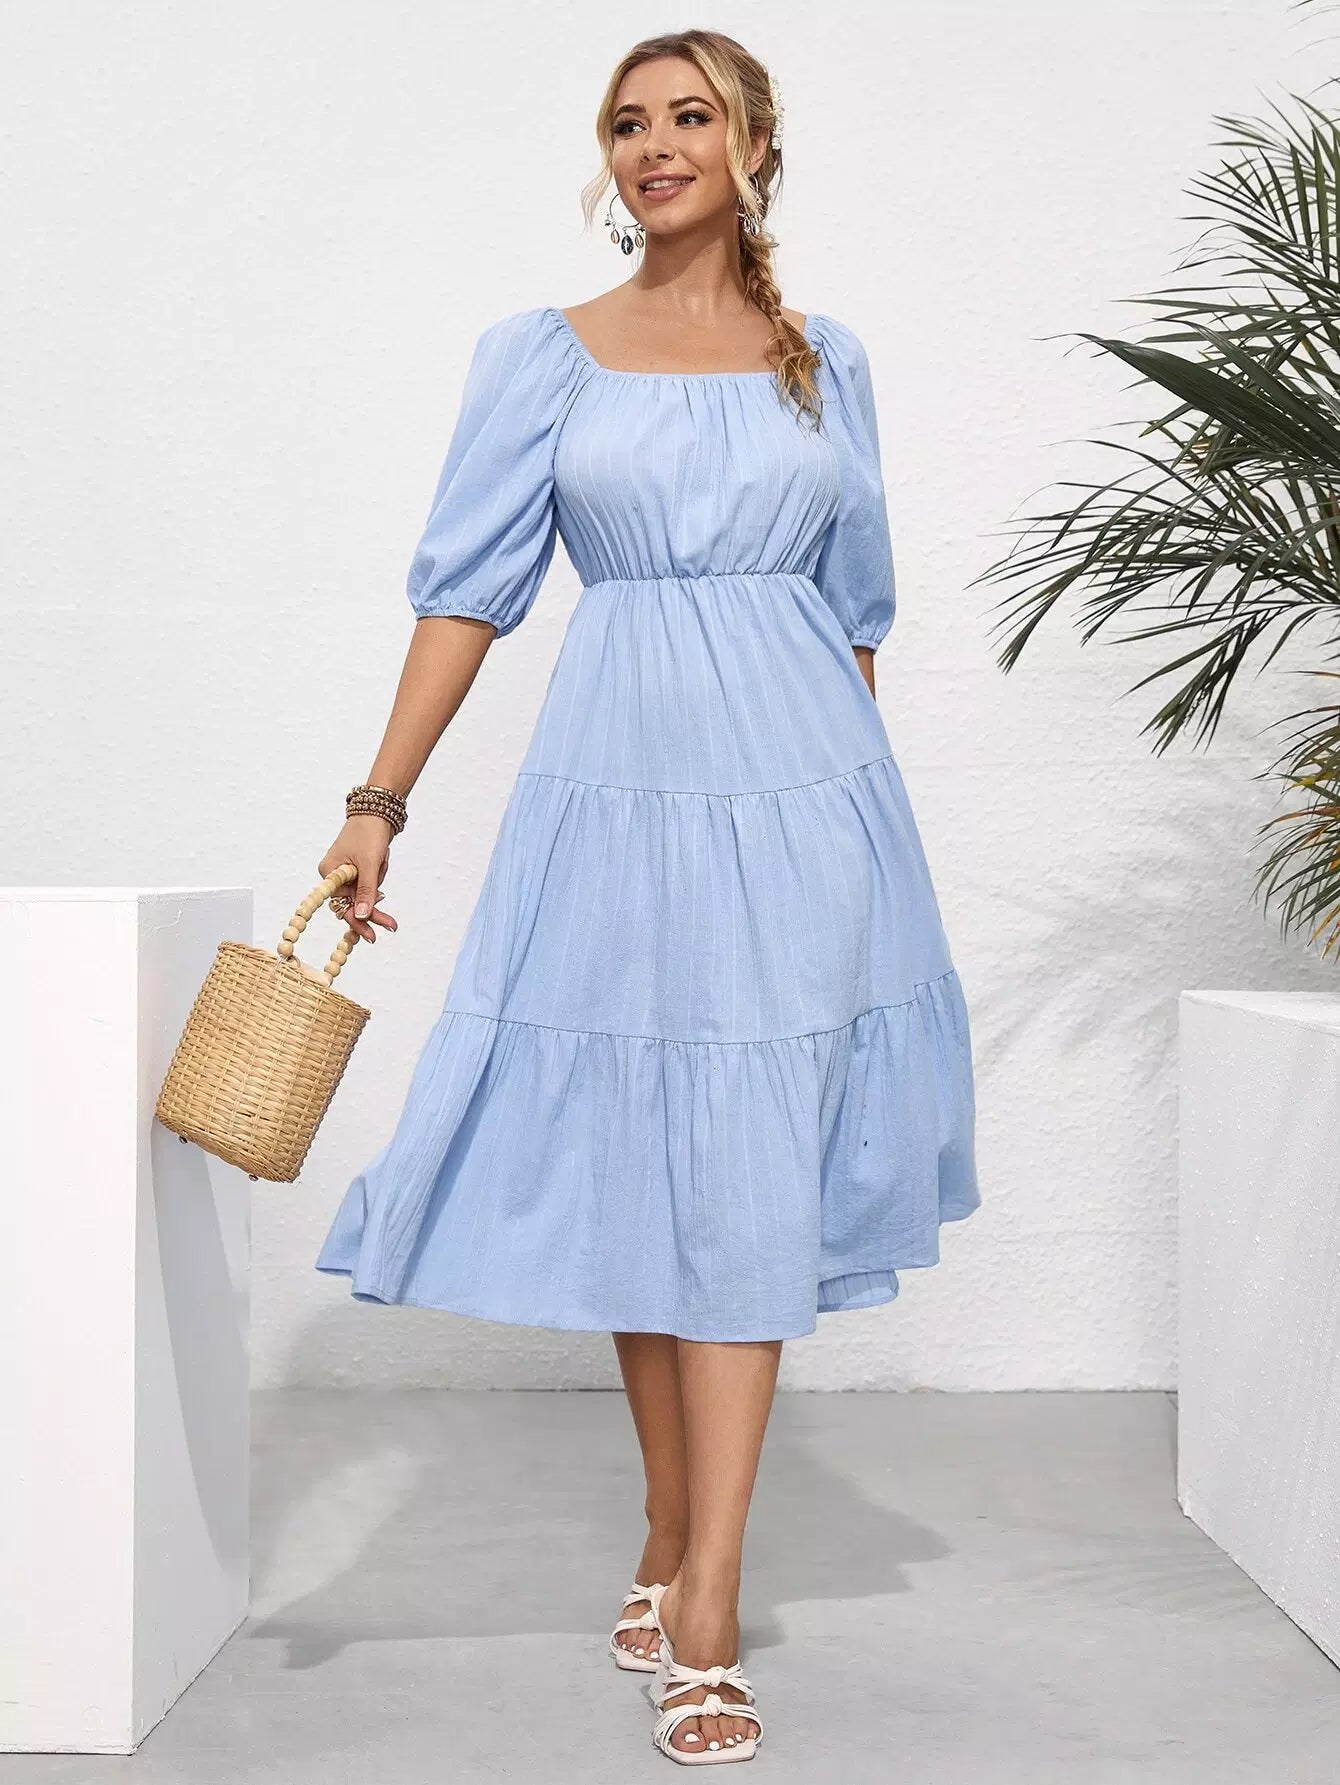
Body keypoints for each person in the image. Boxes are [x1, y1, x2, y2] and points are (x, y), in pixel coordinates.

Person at [314, 27, 980, 1766]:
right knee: (644, 1146)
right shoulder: (543, 357)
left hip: (806, 801)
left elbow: (856, 611)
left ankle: (711, 1596)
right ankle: (670, 1523)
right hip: (616, 794)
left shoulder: (829, 361)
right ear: (606, 161)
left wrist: (851, 832)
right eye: (628, 122)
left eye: (692, 116)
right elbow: (467, 593)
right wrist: (379, 801)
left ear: (757, 146)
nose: (656, 143)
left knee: (749, 1154)